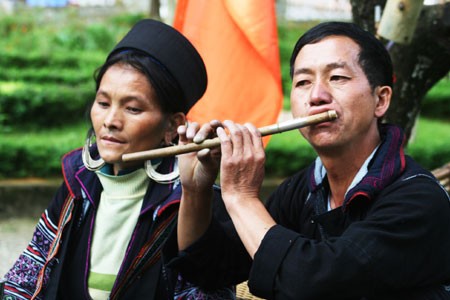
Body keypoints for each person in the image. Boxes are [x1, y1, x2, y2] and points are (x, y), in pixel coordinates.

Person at [170, 21, 450, 299]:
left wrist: (242, 196)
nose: (316, 96)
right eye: (303, 82)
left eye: (337, 78)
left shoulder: (419, 200)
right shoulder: (301, 191)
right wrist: (196, 190)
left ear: (381, 100)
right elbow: (210, 271)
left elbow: (317, 285)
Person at [2, 19, 234, 300]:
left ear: (173, 125)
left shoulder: (194, 198)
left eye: (133, 108)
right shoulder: (78, 180)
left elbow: (206, 290)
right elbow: (29, 273)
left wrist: (195, 193)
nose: (110, 121)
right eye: (102, 103)